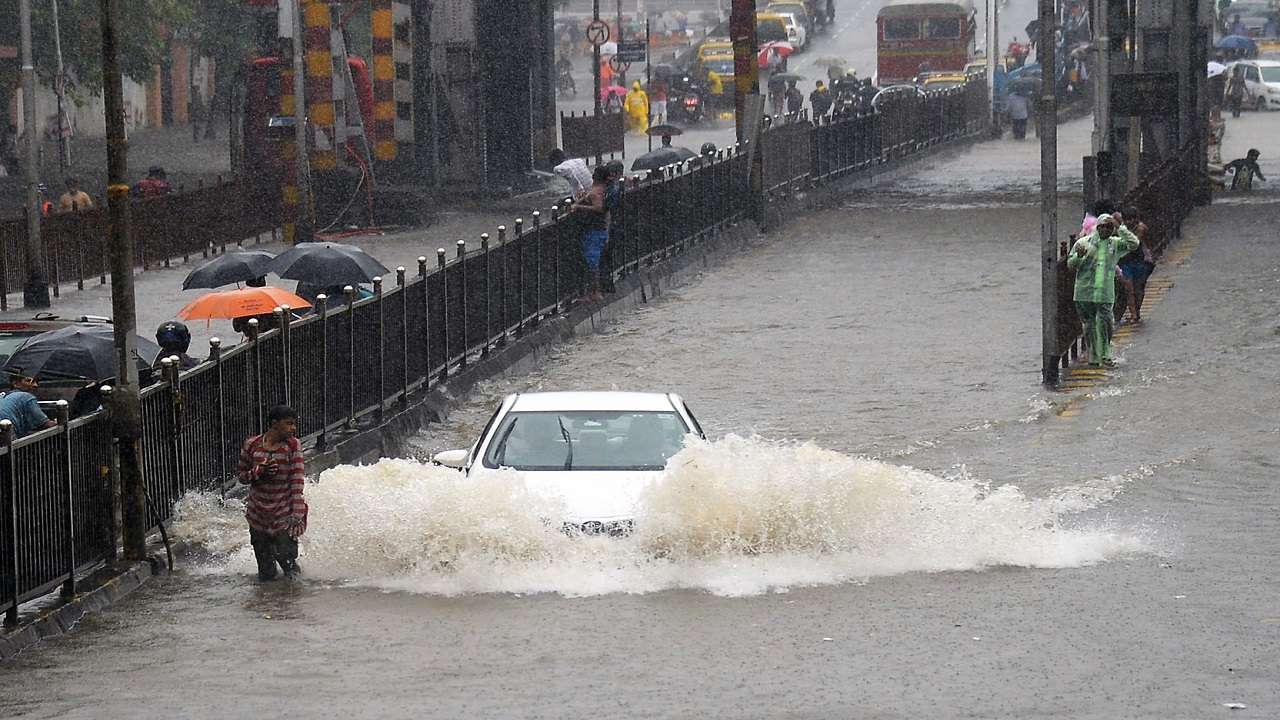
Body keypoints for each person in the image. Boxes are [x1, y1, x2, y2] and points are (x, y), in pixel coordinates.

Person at [236, 405, 307, 581]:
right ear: (275, 424)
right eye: (289, 424)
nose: (293, 428)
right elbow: (242, 477)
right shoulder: (252, 444)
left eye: (294, 424)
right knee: (266, 571)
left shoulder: (293, 446)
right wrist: (259, 471)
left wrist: (297, 515)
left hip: (283, 515)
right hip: (258, 515)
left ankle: (292, 600)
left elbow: (296, 482)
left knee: (287, 560)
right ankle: (268, 603)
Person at [1066, 214, 1140, 368]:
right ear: (1097, 227)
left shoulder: (1115, 244)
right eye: (1102, 226)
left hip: (1105, 292)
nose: (1105, 229)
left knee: (1107, 322)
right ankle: (1094, 356)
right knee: (1089, 325)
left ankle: (1105, 353)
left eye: (1109, 227)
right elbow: (1071, 264)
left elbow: (1134, 243)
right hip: (1085, 292)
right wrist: (1079, 256)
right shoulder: (1083, 243)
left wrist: (1120, 227)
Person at [572, 165, 611, 302]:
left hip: (593, 232)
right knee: (593, 262)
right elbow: (605, 211)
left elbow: (598, 207)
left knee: (592, 263)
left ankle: (595, 292)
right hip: (598, 231)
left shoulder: (596, 192)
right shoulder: (603, 190)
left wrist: (578, 206)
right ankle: (594, 291)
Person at [1115, 206, 1155, 324]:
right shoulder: (1121, 229)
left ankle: (1137, 311)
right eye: (1126, 219)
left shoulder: (1140, 228)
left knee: (1139, 287)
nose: (1129, 222)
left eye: (1131, 219)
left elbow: (1134, 243)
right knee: (1128, 287)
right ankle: (1133, 314)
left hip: (1140, 261)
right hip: (1125, 261)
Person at [0, 370, 56, 438]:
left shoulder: (3, 396)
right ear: (16, 383)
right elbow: (45, 424)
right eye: (29, 381)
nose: (35, 385)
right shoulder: (26, 397)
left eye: (36, 382)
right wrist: (60, 422)